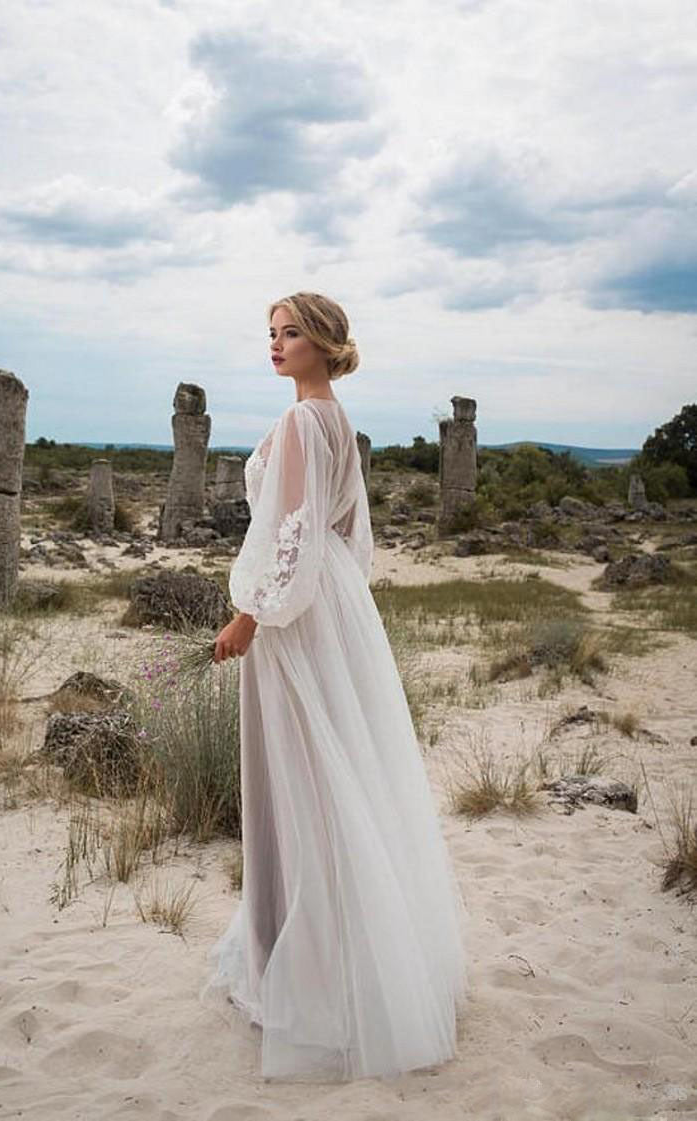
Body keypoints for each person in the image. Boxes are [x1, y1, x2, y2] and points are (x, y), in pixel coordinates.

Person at [200, 291, 470, 1083]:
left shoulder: (300, 423)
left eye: (290, 333)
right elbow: (345, 535)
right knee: (333, 774)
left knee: (300, 783)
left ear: (323, 341)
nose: (276, 345)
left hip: (293, 617)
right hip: (335, 609)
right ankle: (347, 958)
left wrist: (249, 617)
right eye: (271, 333)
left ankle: (307, 974)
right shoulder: (340, 422)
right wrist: (323, 604)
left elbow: (288, 532)